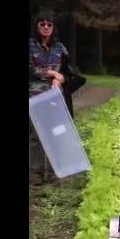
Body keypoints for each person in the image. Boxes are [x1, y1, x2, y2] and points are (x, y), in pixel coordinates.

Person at [29, 11, 85, 177]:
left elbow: (69, 72)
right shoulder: (30, 45)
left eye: (49, 24)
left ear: (53, 28)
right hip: (34, 97)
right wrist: (53, 74)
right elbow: (30, 69)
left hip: (55, 98)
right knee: (36, 135)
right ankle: (36, 173)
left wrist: (62, 79)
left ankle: (57, 171)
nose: (46, 27)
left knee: (56, 132)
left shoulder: (60, 48)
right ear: (36, 26)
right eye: (42, 24)